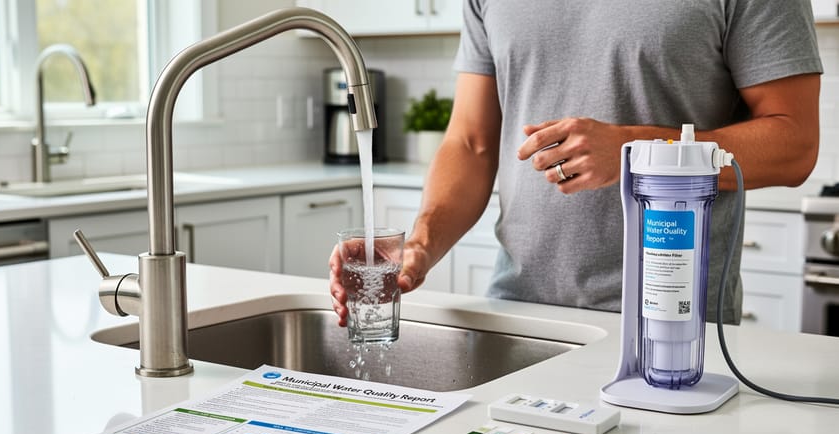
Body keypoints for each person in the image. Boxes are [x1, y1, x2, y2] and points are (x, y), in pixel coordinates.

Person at [330, 0, 822, 326]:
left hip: (673, 322)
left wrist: (636, 150)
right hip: (519, 311)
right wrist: (418, 247)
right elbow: (472, 144)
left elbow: (794, 144)